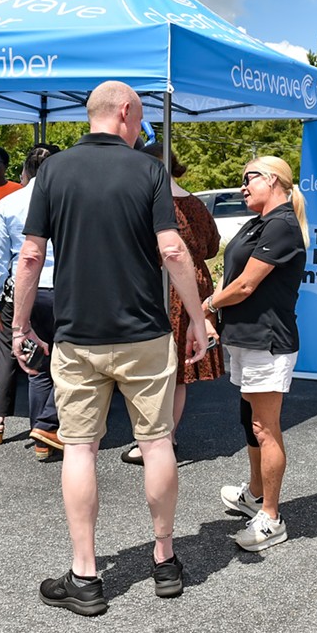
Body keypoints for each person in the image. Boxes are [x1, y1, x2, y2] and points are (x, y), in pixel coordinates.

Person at [14, 81, 208, 616]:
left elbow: (30, 257)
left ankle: (85, 575)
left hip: (77, 338)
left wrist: (20, 324)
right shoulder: (149, 170)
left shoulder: (53, 170)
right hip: (145, 334)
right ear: (124, 112)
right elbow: (171, 248)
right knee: (157, 441)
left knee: (78, 448)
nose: (141, 125)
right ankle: (165, 561)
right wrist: (196, 319)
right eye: (140, 116)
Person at [211, 156, 308, 552]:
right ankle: (254, 494)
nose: (242, 187)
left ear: (272, 179)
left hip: (268, 341)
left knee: (264, 428)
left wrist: (207, 305)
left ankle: (271, 516)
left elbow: (246, 285)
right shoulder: (260, 223)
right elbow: (232, 275)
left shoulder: (282, 225)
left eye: (248, 179)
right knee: (248, 418)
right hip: (245, 338)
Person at [119, 143, 223, 466]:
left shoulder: (152, 203)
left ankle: (156, 439)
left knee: (159, 368)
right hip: (195, 285)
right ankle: (169, 436)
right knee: (179, 372)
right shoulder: (195, 203)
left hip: (165, 286)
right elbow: (212, 246)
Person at [0, 145, 60, 455]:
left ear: (25, 170)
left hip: (22, 290)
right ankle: (47, 426)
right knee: (65, 360)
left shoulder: (9, 203)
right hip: (64, 290)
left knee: (23, 359)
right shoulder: (67, 200)